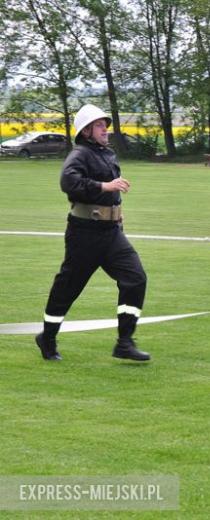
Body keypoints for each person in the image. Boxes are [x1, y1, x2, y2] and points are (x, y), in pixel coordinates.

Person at [35, 104, 150, 362]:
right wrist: (104, 185)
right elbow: (69, 182)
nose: (105, 129)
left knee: (135, 278)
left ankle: (124, 342)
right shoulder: (79, 154)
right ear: (86, 131)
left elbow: (110, 190)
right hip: (84, 233)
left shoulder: (106, 154)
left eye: (105, 125)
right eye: (99, 125)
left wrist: (116, 210)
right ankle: (47, 337)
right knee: (68, 289)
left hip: (111, 232)